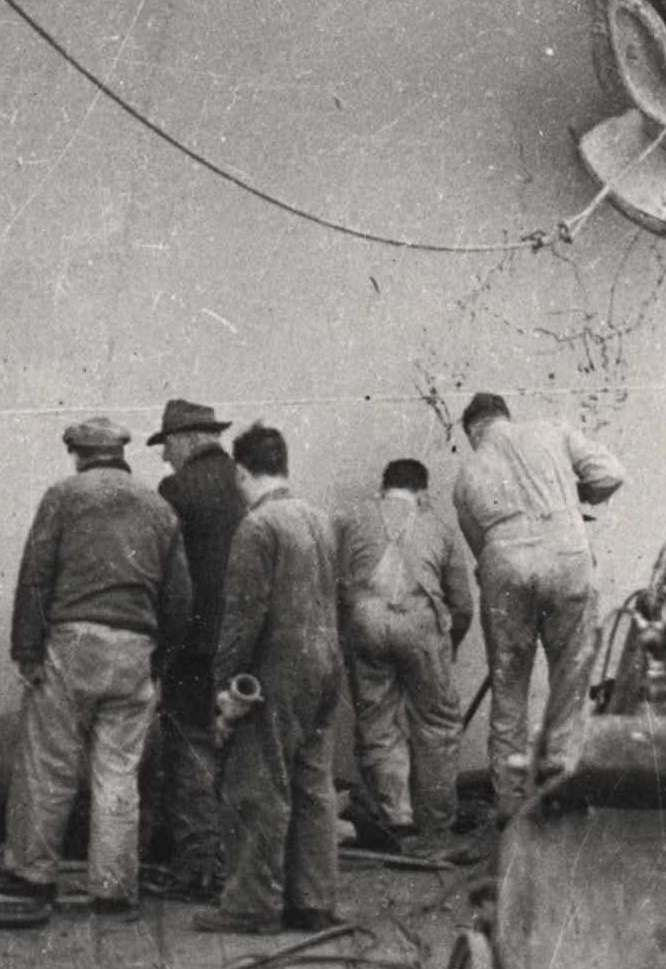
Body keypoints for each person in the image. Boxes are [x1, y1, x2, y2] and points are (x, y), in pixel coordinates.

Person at [1, 416, 191, 914]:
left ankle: (35, 874)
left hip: (72, 644)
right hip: (134, 649)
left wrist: (26, 648)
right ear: (121, 454)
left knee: (49, 764)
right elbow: (178, 598)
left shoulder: (64, 497)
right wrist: (160, 662)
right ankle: (111, 886)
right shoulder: (158, 506)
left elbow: (36, 575)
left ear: (78, 453)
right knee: (118, 773)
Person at [451, 392, 627, 814]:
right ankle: (563, 791)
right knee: (569, 680)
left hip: (505, 563)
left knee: (509, 685)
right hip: (568, 555)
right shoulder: (553, 431)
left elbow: (481, 553)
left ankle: (511, 806)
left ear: (474, 430)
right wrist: (576, 495)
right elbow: (611, 474)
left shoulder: (466, 474)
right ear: (505, 416)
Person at [201, 423, 343, 933]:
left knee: (258, 785)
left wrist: (225, 683)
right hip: (326, 666)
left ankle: (251, 906)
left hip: (276, 670)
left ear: (241, 472)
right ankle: (314, 902)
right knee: (312, 786)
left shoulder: (258, 528)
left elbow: (243, 616)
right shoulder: (319, 519)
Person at [334, 459, 474, 849]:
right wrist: (451, 647)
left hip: (366, 623)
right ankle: (437, 820)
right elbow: (462, 604)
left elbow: (338, 582)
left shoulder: (353, 520)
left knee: (378, 720)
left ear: (384, 488)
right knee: (437, 723)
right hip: (420, 627)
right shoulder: (439, 528)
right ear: (422, 493)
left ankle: (398, 817)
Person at [149, 396, 243, 890]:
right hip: (245, 647)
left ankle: (198, 868)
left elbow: (168, 580)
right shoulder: (247, 483)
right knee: (241, 753)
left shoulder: (176, 490)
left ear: (184, 441)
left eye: (166, 446)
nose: (165, 457)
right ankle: (239, 865)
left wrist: (161, 650)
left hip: (193, 647)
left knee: (191, 751)